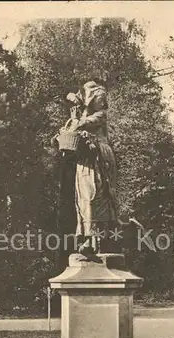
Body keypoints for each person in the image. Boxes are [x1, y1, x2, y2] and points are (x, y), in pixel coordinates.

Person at [65, 80, 118, 256]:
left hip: (98, 157)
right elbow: (71, 129)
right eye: (99, 98)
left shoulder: (100, 115)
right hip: (85, 158)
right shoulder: (86, 113)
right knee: (84, 197)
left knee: (97, 194)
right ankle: (88, 238)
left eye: (103, 98)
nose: (103, 102)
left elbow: (79, 125)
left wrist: (79, 112)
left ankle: (99, 240)